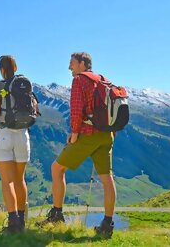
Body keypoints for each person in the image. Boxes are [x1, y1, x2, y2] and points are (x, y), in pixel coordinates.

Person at [37, 52, 117, 238]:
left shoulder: (79, 80)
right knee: (107, 178)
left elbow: (76, 110)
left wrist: (74, 135)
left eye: (72, 63)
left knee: (57, 169)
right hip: (107, 135)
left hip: (88, 134)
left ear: (82, 64)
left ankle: (56, 215)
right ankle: (107, 224)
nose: (69, 67)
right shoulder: (103, 80)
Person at [0, 55, 33, 233]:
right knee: (20, 179)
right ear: (15, 67)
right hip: (23, 134)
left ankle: (13, 222)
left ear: (1, 69)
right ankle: (22, 220)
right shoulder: (24, 84)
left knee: (7, 182)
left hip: (4, 134)